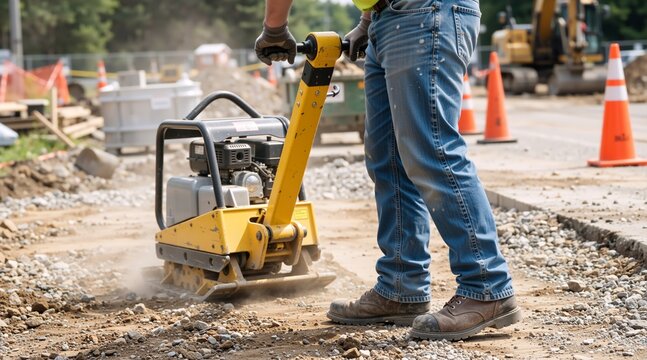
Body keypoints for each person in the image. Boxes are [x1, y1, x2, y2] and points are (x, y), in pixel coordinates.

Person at [255, 0, 521, 340]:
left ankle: (487, 287)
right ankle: (401, 286)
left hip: (425, 13)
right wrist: (369, 19)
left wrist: (274, 29)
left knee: (433, 152)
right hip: (391, 18)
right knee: (388, 159)